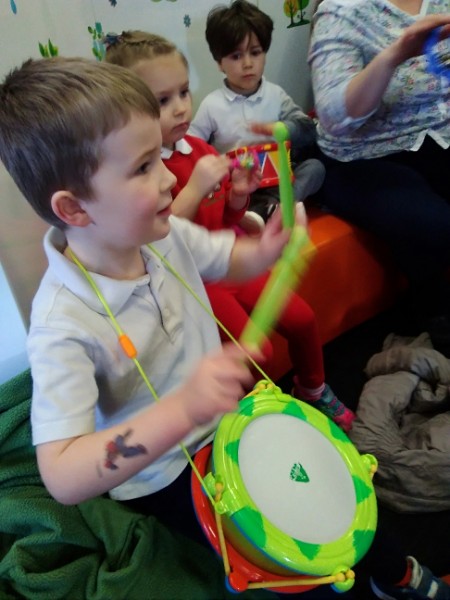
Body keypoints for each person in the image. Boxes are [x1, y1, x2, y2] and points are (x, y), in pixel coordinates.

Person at [0, 57, 447, 600]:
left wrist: (267, 248)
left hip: (229, 418)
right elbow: (64, 475)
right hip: (164, 471)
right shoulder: (61, 324)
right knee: (286, 556)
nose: (170, 178)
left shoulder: (163, 235)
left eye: (159, 158)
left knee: (338, 491)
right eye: (143, 167)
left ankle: (398, 574)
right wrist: (185, 408)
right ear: (74, 208)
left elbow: (230, 261)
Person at [104, 30, 356, 433]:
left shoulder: (200, 151)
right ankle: (256, 420)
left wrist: (239, 195)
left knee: (304, 319)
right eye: (162, 101)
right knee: (255, 353)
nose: (180, 108)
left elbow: (227, 218)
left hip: (230, 258)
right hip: (198, 280)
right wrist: (195, 188)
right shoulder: (143, 174)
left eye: (183, 92)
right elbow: (158, 239)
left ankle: (313, 389)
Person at [308, 0, 450, 354]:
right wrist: (394, 55)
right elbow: (335, 116)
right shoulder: (342, 10)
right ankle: (434, 312)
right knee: (433, 222)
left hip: (437, 136)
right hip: (362, 156)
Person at [188, 0, 326, 223]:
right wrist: (218, 166)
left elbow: (307, 128)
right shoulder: (212, 105)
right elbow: (191, 147)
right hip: (237, 187)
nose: (248, 63)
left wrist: (282, 128)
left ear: (264, 53)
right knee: (219, 192)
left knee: (315, 168)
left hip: (277, 180)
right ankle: (263, 211)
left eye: (255, 53)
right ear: (219, 63)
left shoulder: (275, 94)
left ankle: (275, 207)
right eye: (236, 56)